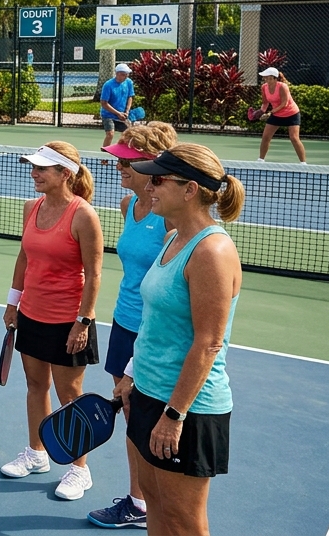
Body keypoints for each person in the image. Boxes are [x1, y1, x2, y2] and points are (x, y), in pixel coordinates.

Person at [114, 145, 244, 536]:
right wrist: (131, 375)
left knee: (184, 520)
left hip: (187, 409)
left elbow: (208, 343)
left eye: (157, 180)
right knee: (155, 503)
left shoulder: (211, 251)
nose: (149, 187)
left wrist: (174, 416)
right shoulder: (173, 238)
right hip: (149, 394)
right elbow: (153, 323)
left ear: (189, 189)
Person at [0, 141, 104, 501]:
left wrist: (84, 321)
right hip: (32, 314)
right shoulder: (32, 207)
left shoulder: (83, 215)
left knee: (70, 398)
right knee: (35, 386)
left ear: (65, 173)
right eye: (33, 166)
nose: (35, 173)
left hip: (67, 321)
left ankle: (79, 469)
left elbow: (94, 274)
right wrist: (13, 303)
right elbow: (24, 258)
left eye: (43, 168)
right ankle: (36, 453)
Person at [87, 122, 179, 528]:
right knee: (130, 419)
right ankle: (139, 501)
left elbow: (173, 291)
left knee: (147, 422)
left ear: (153, 164)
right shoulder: (129, 206)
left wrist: (138, 356)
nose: (118, 166)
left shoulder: (170, 219)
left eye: (127, 161)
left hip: (152, 334)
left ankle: (155, 504)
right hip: (123, 324)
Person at [255, 67, 306, 163]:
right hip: (277, 114)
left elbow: (284, 104)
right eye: (265, 78)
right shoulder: (264, 87)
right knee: (266, 136)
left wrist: (270, 113)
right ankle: (260, 160)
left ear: (275, 78)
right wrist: (261, 112)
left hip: (292, 113)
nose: (266, 80)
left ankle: (303, 163)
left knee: (294, 138)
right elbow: (265, 103)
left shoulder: (282, 86)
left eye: (269, 78)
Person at [101, 63, 136, 147]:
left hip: (123, 114)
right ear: (117, 74)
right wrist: (118, 113)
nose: (126, 76)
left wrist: (126, 111)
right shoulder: (108, 85)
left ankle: (123, 158)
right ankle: (104, 158)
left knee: (129, 135)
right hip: (108, 115)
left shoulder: (129, 82)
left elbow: (130, 97)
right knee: (110, 134)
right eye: (124, 75)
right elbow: (104, 103)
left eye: (127, 75)